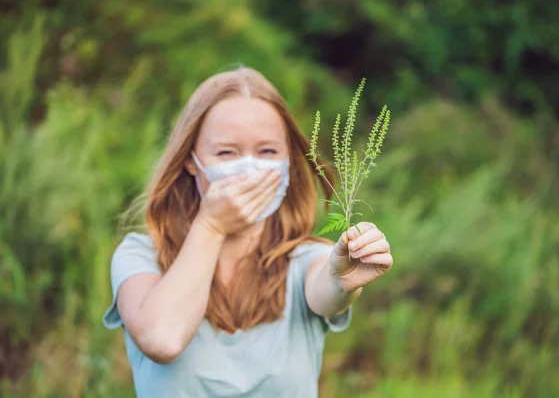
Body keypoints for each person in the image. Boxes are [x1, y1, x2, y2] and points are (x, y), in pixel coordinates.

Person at [102, 66, 393, 397]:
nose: (251, 168)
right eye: (227, 152)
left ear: (289, 161)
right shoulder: (140, 256)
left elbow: (327, 288)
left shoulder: (305, 259)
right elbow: (163, 339)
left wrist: (342, 279)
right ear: (191, 160)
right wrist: (212, 225)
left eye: (267, 151)